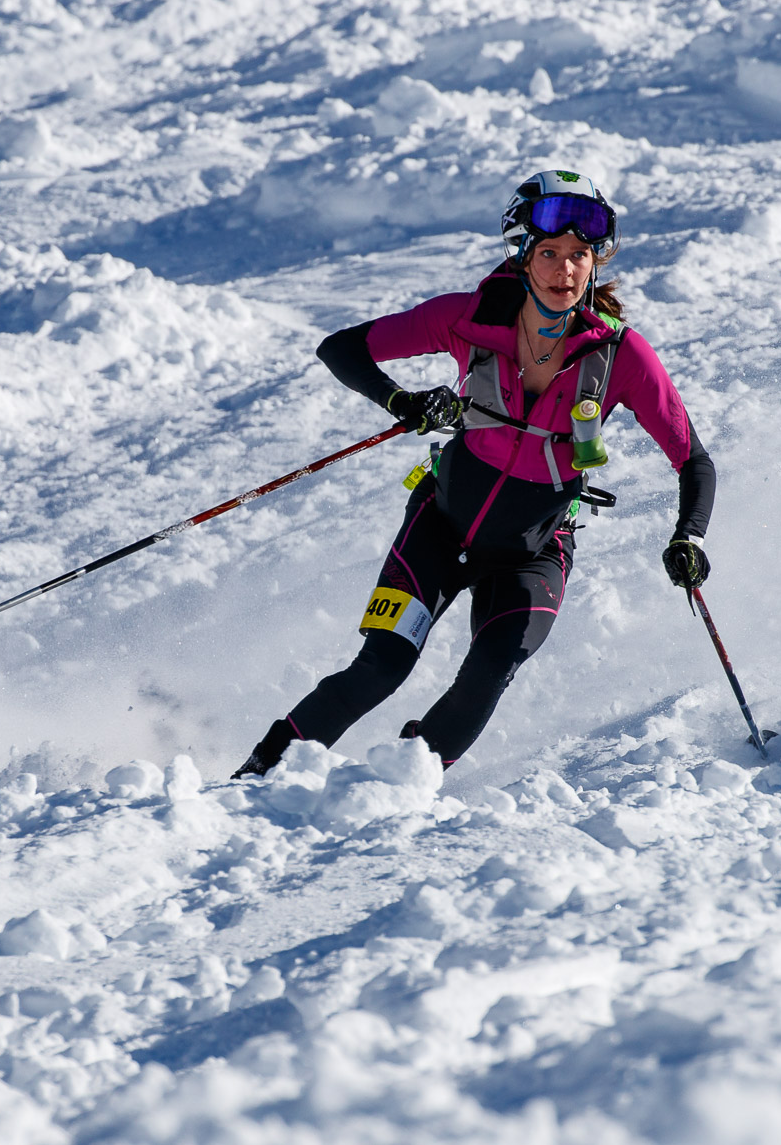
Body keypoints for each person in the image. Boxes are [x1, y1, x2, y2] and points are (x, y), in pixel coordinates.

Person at [234, 171, 717, 776]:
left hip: (533, 551)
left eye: (579, 256)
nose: (566, 270)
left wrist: (688, 536)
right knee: (381, 668)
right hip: (438, 530)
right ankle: (259, 774)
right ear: (521, 255)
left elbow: (692, 460)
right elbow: (343, 347)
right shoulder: (465, 318)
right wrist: (402, 403)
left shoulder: (621, 355)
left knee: (491, 670)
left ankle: (399, 780)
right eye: (549, 254)